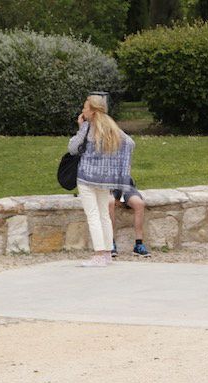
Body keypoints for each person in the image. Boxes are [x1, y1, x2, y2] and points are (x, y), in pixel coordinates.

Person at [68, 94, 135, 267]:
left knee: (93, 215)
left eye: (85, 107)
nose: (83, 110)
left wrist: (80, 127)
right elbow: (129, 143)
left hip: (86, 177)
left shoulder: (88, 127)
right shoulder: (111, 126)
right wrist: (114, 164)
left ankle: (98, 254)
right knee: (104, 215)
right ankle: (107, 253)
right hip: (105, 179)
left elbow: (73, 148)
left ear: (91, 110)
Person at [108, 178, 150, 257]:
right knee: (110, 202)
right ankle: (110, 243)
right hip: (108, 186)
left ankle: (139, 244)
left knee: (139, 204)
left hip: (126, 185)